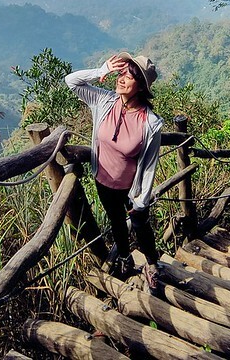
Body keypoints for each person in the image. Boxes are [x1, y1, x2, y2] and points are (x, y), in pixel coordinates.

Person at [65, 52, 163, 293]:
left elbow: (149, 165)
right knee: (116, 221)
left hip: (131, 189)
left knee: (141, 225)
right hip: (103, 181)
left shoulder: (150, 123)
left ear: (141, 86)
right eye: (121, 73)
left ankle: (152, 264)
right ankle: (125, 258)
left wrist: (141, 200)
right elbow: (71, 81)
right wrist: (102, 71)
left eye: (129, 76)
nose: (121, 79)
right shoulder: (104, 101)